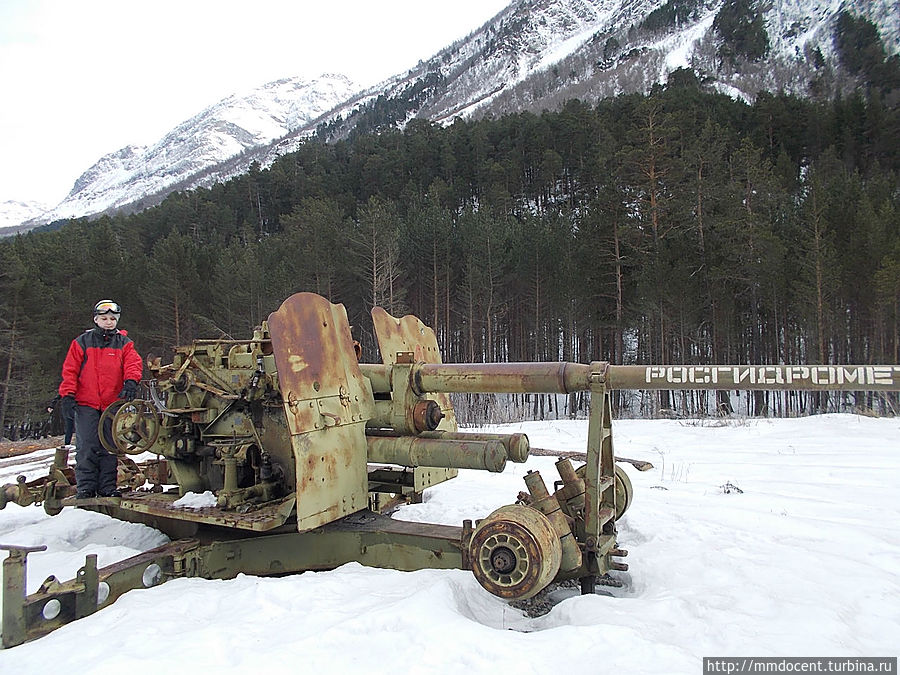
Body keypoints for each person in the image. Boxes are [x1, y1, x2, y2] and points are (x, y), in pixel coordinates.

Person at [58, 300, 143, 499]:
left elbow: (133, 364)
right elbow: (70, 370)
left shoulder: (124, 344)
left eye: (112, 319)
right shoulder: (82, 342)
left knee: (110, 447)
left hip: (112, 404)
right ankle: (86, 488)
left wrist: (131, 382)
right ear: (96, 320)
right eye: (104, 318)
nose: (108, 322)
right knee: (87, 445)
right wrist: (67, 395)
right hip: (86, 403)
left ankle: (107, 487)